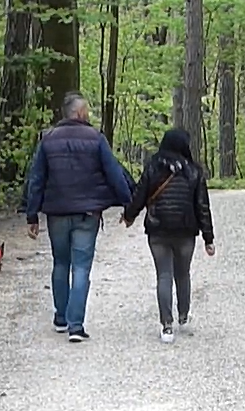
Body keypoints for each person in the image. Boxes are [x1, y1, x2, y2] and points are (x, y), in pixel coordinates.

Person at [24, 93, 133, 343]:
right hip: (88, 213)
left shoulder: (48, 139)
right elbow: (114, 173)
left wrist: (32, 214)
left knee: (60, 263)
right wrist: (129, 205)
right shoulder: (96, 138)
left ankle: (60, 317)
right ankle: (76, 326)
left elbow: (36, 179)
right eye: (87, 111)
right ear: (80, 113)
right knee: (81, 267)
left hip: (57, 213)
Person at [121, 128, 215, 344]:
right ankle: (183, 317)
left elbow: (139, 195)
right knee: (183, 274)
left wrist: (128, 216)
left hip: (158, 229)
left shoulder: (153, 167)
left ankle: (167, 326)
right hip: (185, 230)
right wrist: (208, 238)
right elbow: (202, 206)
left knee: (163, 275)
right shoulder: (193, 171)